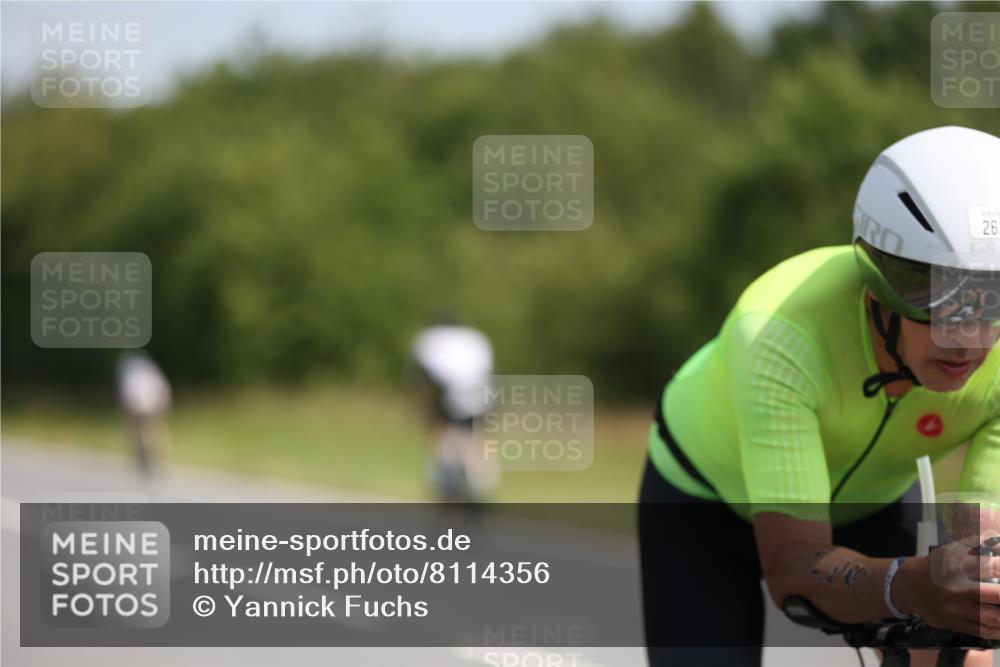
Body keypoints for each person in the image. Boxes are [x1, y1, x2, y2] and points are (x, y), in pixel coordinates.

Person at [639, 126, 1000, 667]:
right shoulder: (779, 334)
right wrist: (908, 586)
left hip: (873, 496)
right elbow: (792, 569)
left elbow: (981, 555)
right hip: (706, 499)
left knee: (954, 654)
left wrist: (971, 596)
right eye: (936, 297)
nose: (969, 337)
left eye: (993, 296)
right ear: (877, 277)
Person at [411, 319, 499, 502]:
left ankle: (446, 480)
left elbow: (425, 380)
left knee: (444, 434)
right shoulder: (476, 338)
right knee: (475, 435)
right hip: (482, 395)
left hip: (453, 396)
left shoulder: (431, 339)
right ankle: (480, 482)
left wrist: (426, 412)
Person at [116, 351, 173, 477]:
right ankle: (158, 457)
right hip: (155, 399)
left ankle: (141, 453)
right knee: (156, 428)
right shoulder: (150, 369)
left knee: (135, 427)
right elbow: (163, 389)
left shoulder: (127, 370)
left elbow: (125, 396)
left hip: (137, 401)